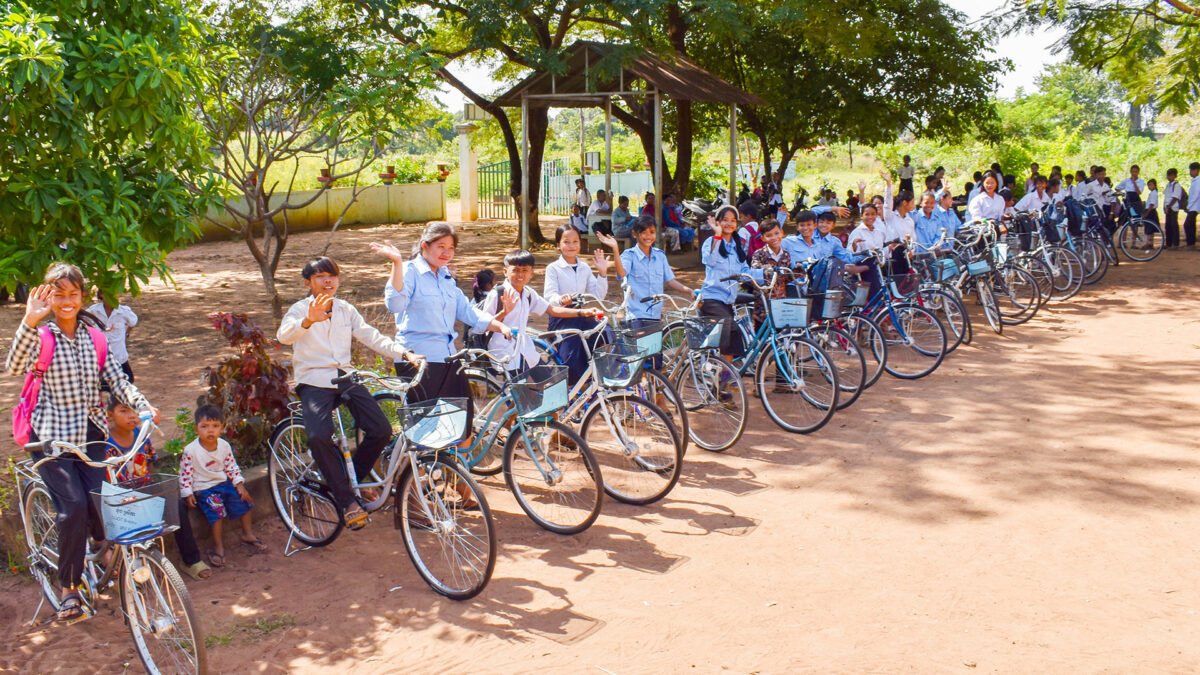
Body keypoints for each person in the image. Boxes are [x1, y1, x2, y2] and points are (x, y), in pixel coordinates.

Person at [5, 263, 159, 623]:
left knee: (105, 502)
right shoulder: (41, 336)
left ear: (82, 296)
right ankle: (68, 588)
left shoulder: (95, 337)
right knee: (72, 506)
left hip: (89, 433)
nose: (67, 300)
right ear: (47, 296)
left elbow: (116, 380)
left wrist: (141, 404)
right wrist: (29, 320)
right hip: (51, 437)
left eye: (73, 294)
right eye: (59, 294)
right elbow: (13, 367)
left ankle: (97, 548)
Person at [277, 255, 421, 530]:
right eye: (320, 277)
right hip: (314, 380)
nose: (328, 281)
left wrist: (403, 353)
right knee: (319, 437)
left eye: (332, 276)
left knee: (380, 429)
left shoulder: (345, 309)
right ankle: (347, 501)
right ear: (308, 283)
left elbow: (370, 336)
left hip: (345, 376)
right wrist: (307, 321)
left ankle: (345, 480)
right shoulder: (299, 309)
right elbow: (283, 336)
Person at [381, 223, 516, 460]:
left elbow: (469, 312)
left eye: (450, 248)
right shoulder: (409, 271)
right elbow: (395, 305)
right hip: (418, 359)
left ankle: (459, 477)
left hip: (448, 358)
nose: (446, 252)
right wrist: (396, 264)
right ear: (425, 246)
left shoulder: (445, 277)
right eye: (440, 246)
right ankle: (414, 489)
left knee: (462, 417)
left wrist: (500, 325)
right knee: (426, 428)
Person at [105, 397, 210, 581]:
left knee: (176, 505)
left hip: (144, 493)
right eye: (123, 411)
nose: (131, 416)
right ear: (109, 416)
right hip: (120, 501)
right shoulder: (105, 443)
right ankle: (129, 570)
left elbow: (150, 465)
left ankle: (190, 560)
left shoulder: (141, 434)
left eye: (134, 411)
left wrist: (153, 490)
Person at [484, 250, 602, 373]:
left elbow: (551, 309)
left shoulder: (528, 293)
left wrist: (582, 312)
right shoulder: (497, 294)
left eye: (525, 270)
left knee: (548, 382)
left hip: (525, 347)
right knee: (523, 389)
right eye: (515, 270)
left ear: (531, 273)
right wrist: (503, 312)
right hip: (503, 351)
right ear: (505, 271)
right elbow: (484, 326)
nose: (520, 275)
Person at [179, 405, 265, 568]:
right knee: (217, 512)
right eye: (204, 427)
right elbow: (185, 474)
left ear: (222, 428)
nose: (210, 431)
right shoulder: (191, 451)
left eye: (215, 426)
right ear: (196, 429)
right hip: (204, 488)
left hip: (223, 484)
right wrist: (188, 492)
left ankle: (248, 534)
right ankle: (218, 546)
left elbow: (231, 466)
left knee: (244, 500)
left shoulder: (224, 446)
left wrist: (239, 484)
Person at [545, 225, 624, 384]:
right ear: (558, 244)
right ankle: (573, 393)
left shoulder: (584, 268)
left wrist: (602, 273)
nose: (571, 246)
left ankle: (602, 380)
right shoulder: (553, 268)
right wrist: (562, 299)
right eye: (566, 242)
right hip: (562, 319)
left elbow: (597, 295)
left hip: (583, 316)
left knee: (609, 333)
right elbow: (549, 296)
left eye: (575, 241)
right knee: (572, 361)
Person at [699, 206, 763, 362]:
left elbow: (746, 272)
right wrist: (718, 235)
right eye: (725, 220)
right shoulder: (711, 241)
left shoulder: (736, 245)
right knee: (731, 326)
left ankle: (727, 378)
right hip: (711, 298)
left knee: (733, 339)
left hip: (728, 299)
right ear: (718, 222)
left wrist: (768, 273)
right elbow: (709, 261)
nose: (729, 224)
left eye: (733, 220)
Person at [619, 214, 693, 329]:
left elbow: (670, 280)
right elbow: (621, 274)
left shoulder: (660, 256)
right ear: (635, 234)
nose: (648, 236)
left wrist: (689, 291)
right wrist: (614, 249)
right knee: (639, 346)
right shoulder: (629, 255)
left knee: (654, 346)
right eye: (644, 232)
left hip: (655, 315)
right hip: (636, 316)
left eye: (652, 232)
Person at [86, 289, 137, 383]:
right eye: (108, 293)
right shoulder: (93, 311)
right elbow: (82, 322)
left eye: (114, 293)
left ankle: (114, 398)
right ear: (101, 294)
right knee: (98, 385)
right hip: (100, 358)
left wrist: (127, 333)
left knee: (128, 381)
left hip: (119, 356)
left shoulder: (123, 311)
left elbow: (133, 322)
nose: (111, 296)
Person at [749, 218, 793, 325]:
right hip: (763, 306)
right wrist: (769, 269)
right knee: (763, 335)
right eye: (769, 235)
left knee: (781, 336)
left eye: (777, 233)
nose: (774, 238)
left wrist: (798, 271)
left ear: (782, 233)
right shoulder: (759, 254)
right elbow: (755, 270)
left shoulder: (786, 254)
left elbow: (787, 278)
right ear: (763, 238)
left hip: (781, 303)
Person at [1163, 168, 1184, 249]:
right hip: (1168, 207)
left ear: (1175, 176)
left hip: (1173, 207)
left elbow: (1175, 197)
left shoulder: (1177, 185)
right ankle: (1169, 243)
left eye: (1171, 175)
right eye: (1168, 175)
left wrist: (1169, 206)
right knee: (1168, 226)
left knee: (1173, 225)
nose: (1169, 177)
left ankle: (1175, 244)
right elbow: (1166, 197)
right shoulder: (1168, 185)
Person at [1185, 162, 1200, 249]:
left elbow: (1196, 194)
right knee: (1191, 224)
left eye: (1192, 170)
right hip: (1192, 205)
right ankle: (1191, 243)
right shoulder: (1194, 181)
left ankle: (1191, 243)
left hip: (1195, 206)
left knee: (1187, 224)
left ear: (1196, 170)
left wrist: (1189, 206)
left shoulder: (1198, 181)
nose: (1190, 172)